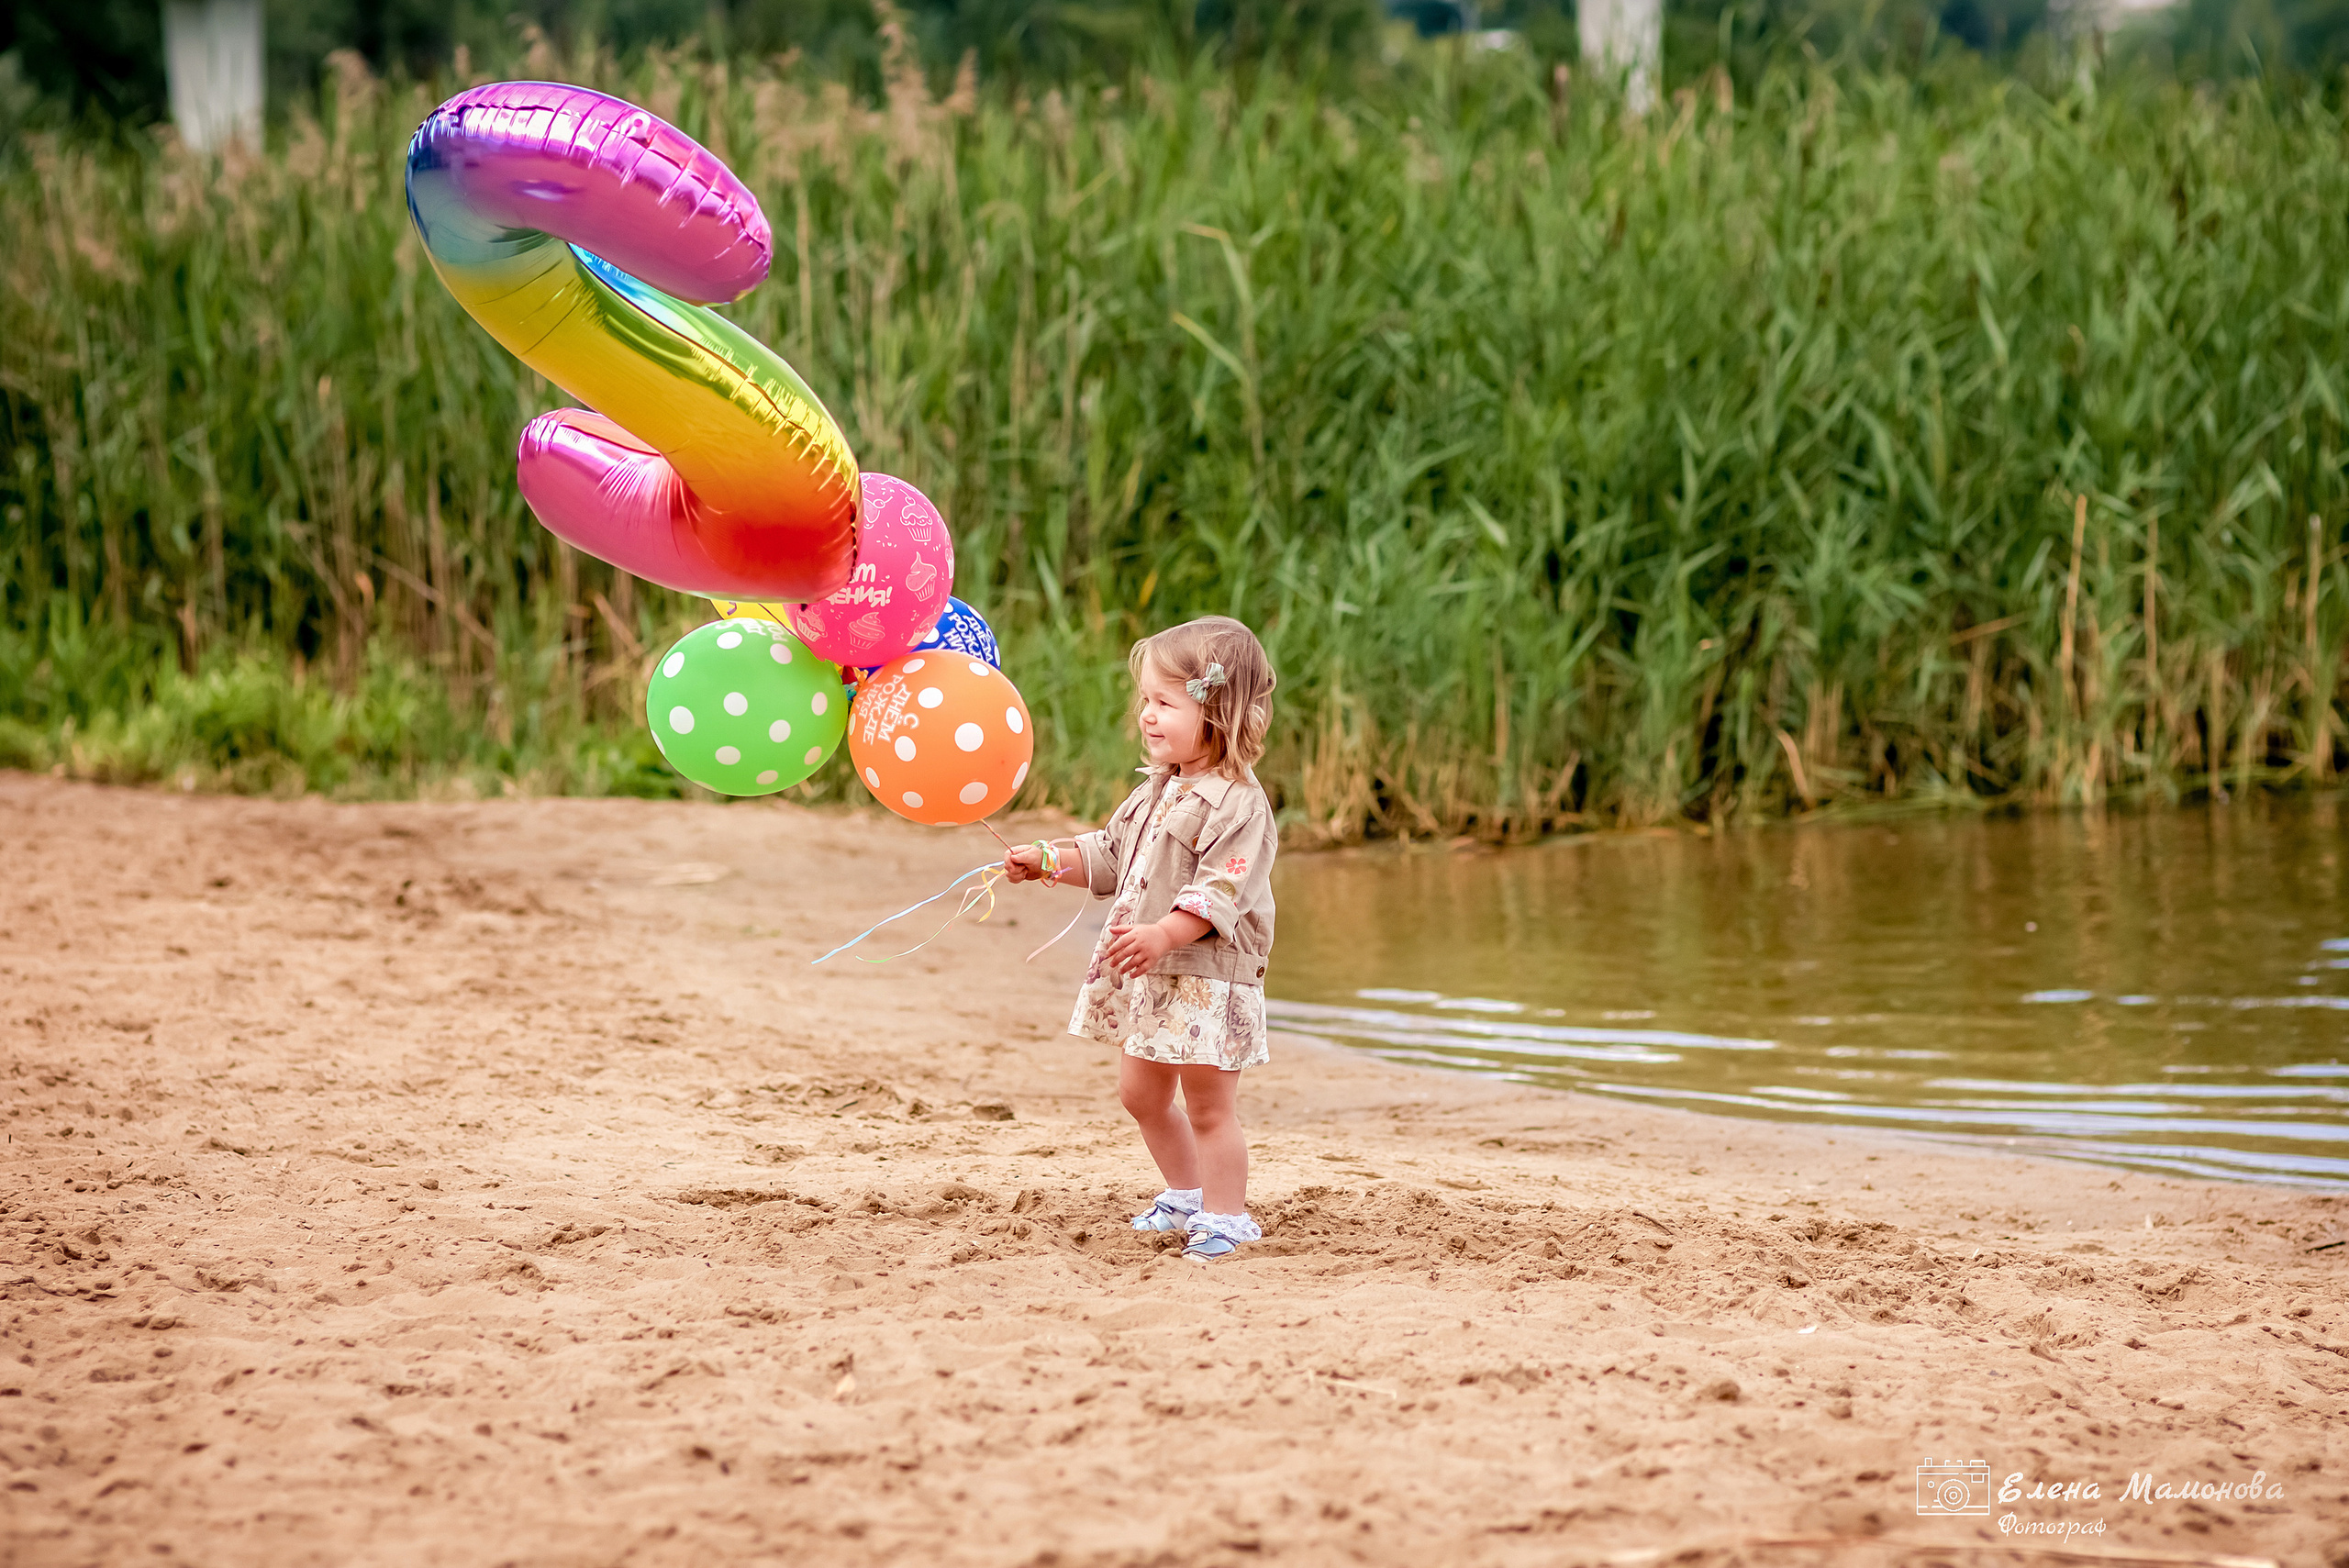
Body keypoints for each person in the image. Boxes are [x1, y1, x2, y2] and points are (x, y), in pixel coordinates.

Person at [1003, 616, 1278, 1262]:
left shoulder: (1238, 804)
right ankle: (1185, 1192)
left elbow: (1220, 891)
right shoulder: (1155, 789)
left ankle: (1226, 1214)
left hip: (1209, 974)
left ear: (1220, 713)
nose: (1147, 717)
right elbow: (1108, 853)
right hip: (1151, 971)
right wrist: (1048, 859)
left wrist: (1163, 932)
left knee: (1210, 1105)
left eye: (1164, 703)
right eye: (1145, 703)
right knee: (1140, 1093)